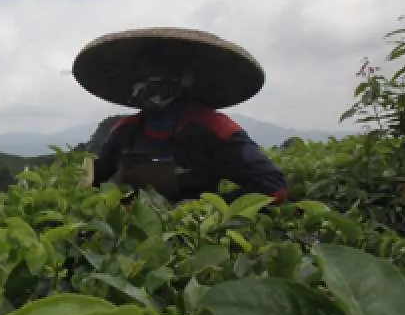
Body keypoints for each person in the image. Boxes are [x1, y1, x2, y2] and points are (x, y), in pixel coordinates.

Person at [71, 27, 289, 205]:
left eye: (165, 70)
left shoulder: (213, 128)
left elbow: (273, 187)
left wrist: (202, 208)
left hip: (195, 238)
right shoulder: (127, 130)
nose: (153, 80)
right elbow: (93, 183)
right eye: (147, 71)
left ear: (185, 78)